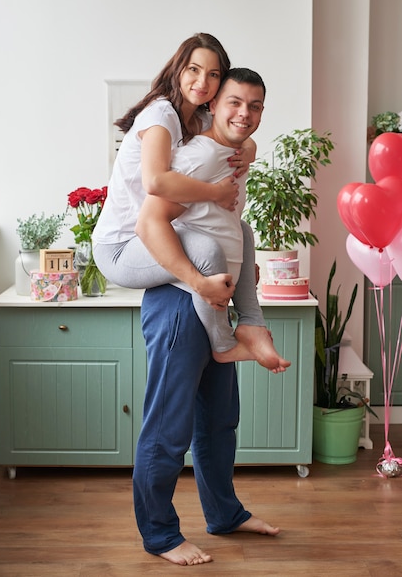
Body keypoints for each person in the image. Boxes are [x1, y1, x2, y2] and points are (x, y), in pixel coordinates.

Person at [133, 69, 284, 566]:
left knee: (220, 423)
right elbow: (152, 219)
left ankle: (225, 514)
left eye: (256, 105)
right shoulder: (197, 155)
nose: (246, 113)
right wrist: (196, 281)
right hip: (181, 301)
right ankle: (159, 535)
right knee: (168, 429)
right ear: (214, 104)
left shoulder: (230, 155)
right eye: (236, 102)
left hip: (212, 303)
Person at [93, 33, 285, 368]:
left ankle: (252, 323)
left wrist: (250, 151)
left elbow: (239, 132)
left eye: (213, 74)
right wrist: (216, 193)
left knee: (243, 229)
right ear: (178, 69)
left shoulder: (200, 117)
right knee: (208, 252)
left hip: (156, 230)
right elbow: (156, 182)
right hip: (123, 244)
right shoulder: (162, 115)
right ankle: (224, 342)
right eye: (194, 70)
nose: (202, 81)